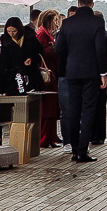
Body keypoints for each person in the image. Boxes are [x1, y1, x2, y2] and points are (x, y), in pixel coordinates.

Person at [50, 0, 107, 163]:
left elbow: (58, 49)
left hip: (71, 71)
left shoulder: (67, 23)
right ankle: (82, 151)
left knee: (73, 110)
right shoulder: (97, 22)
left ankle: (73, 150)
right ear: (92, 5)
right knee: (88, 110)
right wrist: (103, 73)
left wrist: (70, 60)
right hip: (90, 72)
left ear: (78, 4)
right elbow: (100, 48)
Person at [33, 8, 64, 150]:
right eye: (55, 20)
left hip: (51, 74)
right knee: (47, 108)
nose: (57, 24)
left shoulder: (45, 33)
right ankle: (45, 137)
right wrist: (53, 48)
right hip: (47, 74)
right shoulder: (42, 34)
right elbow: (40, 53)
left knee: (52, 107)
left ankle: (51, 136)